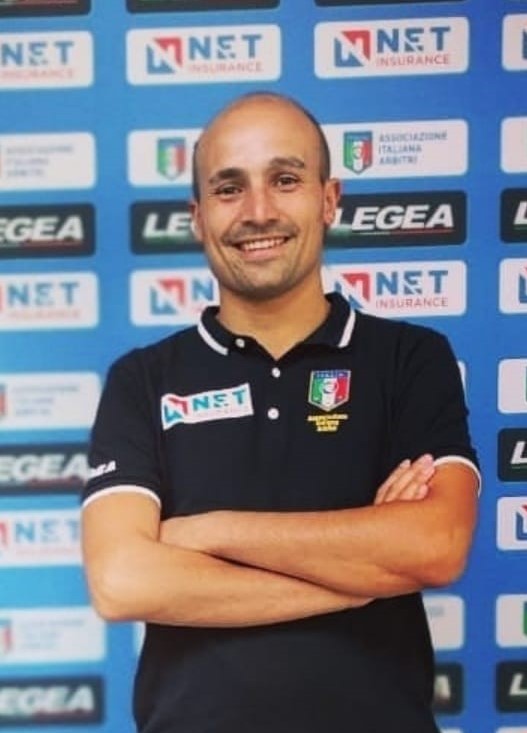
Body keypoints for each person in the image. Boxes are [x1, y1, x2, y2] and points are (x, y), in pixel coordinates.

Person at [81, 91, 480, 733]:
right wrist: (365, 575)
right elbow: (123, 580)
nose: (258, 211)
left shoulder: (410, 358)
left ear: (329, 199)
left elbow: (435, 546)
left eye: (286, 180)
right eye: (229, 188)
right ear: (198, 217)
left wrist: (207, 531)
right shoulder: (143, 380)